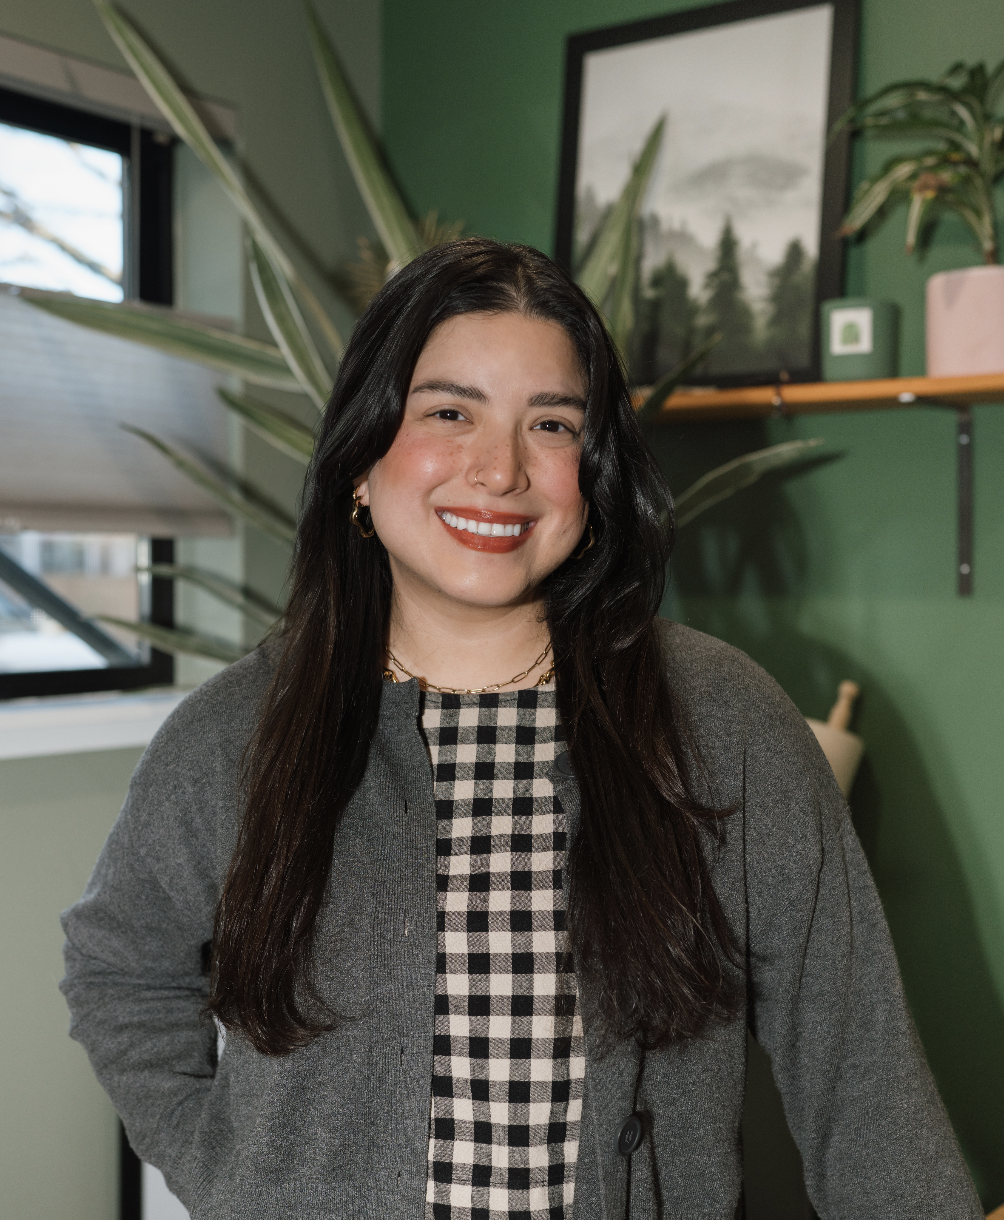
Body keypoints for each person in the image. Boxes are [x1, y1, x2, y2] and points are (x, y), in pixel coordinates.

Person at [61, 238, 980, 1220]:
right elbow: (119, 965)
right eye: (449, 412)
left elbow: (857, 1060)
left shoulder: (722, 719)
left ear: (591, 473)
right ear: (362, 461)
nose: (498, 469)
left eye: (549, 424)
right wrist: (231, 1173)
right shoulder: (234, 733)